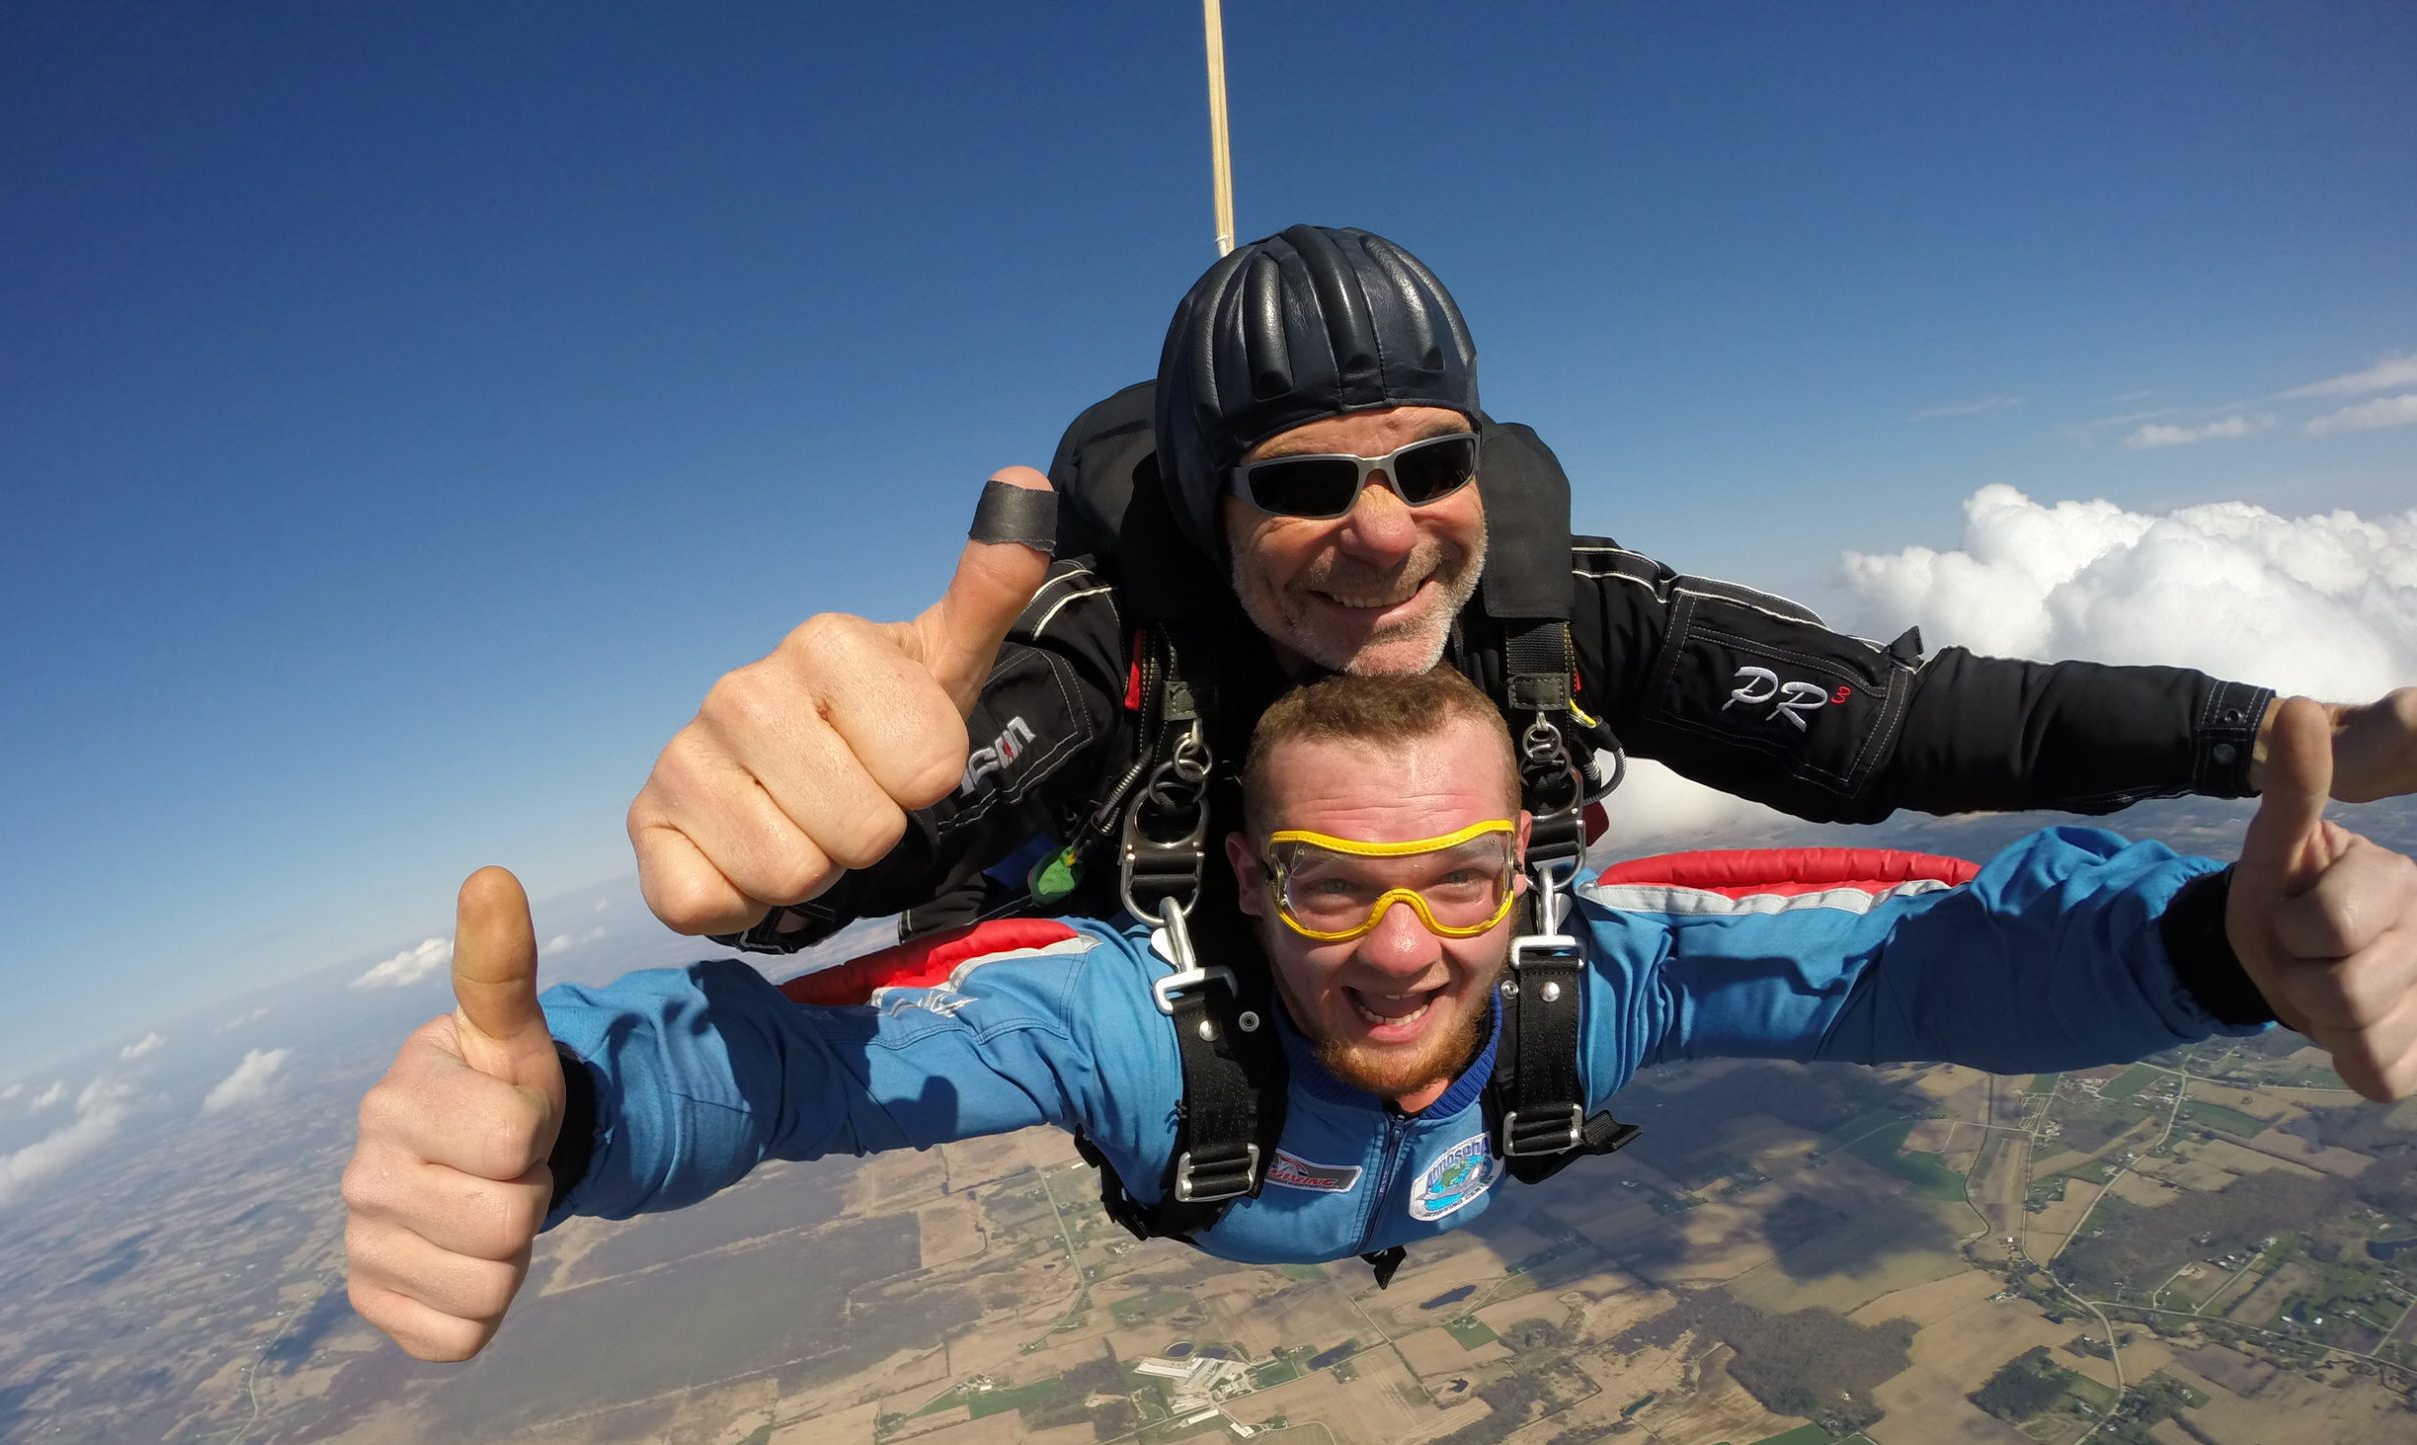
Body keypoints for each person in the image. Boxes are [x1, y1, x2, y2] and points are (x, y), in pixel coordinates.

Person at [341, 675, 2417, 1364]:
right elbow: (819, 1055)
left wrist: (2218, 949)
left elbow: (1916, 941)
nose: (1407, 947)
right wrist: (582, 1116)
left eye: (1462, 876)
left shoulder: (1578, 975)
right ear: (1245, 887)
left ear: (1530, 871)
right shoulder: (1133, 1025)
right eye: (1331, 881)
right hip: (1237, 1150)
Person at [623, 223, 2417, 957]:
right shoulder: (1108, 664)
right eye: (1306, 485)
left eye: (1427, 464)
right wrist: (775, 852)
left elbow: (1927, 727)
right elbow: (903, 815)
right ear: (1205, 508)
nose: (1389, 532)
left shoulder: (1560, 621)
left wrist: (2277, 730)